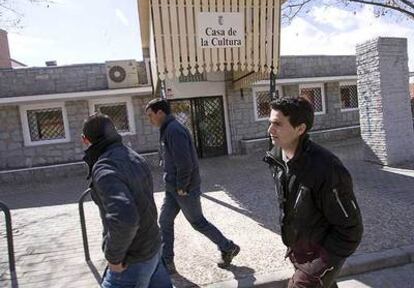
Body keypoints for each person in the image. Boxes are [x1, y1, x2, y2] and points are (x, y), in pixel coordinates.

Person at [263, 97, 363, 288]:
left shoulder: (327, 168)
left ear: (300, 129)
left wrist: (318, 267)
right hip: (298, 251)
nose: (270, 130)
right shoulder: (276, 158)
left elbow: (351, 230)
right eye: (270, 122)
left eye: (277, 124)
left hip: (319, 258)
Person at [145, 98, 240, 274]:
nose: (149, 120)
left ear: (160, 113)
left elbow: (185, 162)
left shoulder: (174, 130)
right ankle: (167, 262)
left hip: (183, 188)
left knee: (197, 222)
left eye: (151, 115)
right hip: (172, 188)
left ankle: (228, 247)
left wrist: (182, 185)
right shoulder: (167, 129)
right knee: (165, 221)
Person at [82, 113, 172, 288]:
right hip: (152, 246)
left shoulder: (104, 167)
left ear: (85, 140)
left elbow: (125, 219)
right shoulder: (134, 156)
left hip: (132, 260)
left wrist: (113, 258)